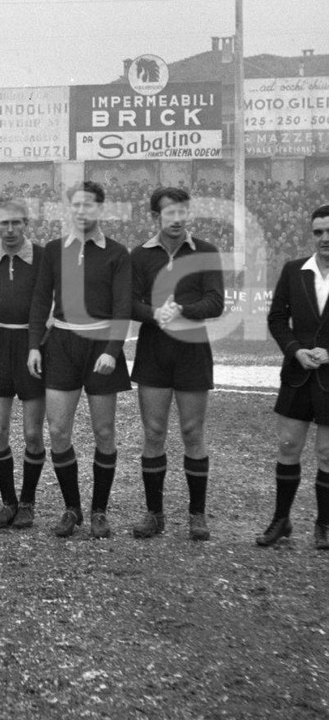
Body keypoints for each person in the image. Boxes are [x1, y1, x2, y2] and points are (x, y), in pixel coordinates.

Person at [27, 181, 132, 538]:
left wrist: (112, 352)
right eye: (76, 205)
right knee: (58, 431)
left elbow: (122, 307)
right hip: (62, 344)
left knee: (104, 431)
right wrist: (34, 346)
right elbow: (40, 300)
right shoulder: (54, 250)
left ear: (100, 209)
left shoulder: (117, 253)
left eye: (89, 205)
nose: (82, 211)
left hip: (101, 345)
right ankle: (72, 508)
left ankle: (100, 510)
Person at [130, 187, 224, 541]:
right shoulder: (140, 255)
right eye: (169, 213)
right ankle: (154, 514)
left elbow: (215, 302)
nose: (176, 219)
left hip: (192, 350)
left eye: (181, 212)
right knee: (154, 432)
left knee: (192, 432)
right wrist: (156, 314)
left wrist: (182, 309)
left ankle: (197, 515)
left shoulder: (206, 251)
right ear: (156, 216)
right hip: (154, 349)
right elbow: (128, 303)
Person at [257, 203, 329, 549]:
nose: (325, 238)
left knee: (327, 453)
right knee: (288, 446)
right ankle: (281, 520)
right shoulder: (293, 270)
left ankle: (324, 524)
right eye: (318, 232)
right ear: (311, 234)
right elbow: (276, 319)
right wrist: (295, 351)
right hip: (297, 373)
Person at [0, 199, 47, 531]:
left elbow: (54, 299)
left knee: (33, 433)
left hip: (32, 346)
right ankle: (8, 502)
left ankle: (28, 502)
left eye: (15, 223)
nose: (9, 230)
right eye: (3, 223)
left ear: (26, 224)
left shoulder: (43, 257)